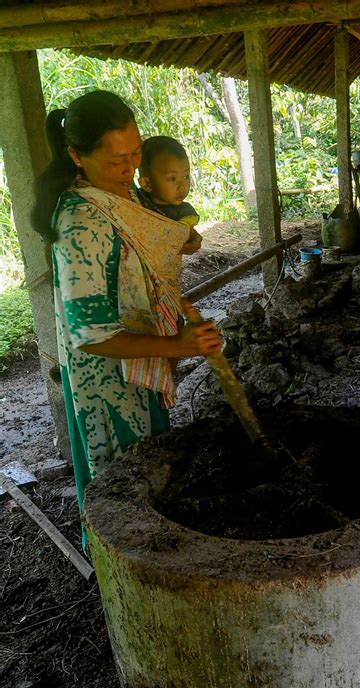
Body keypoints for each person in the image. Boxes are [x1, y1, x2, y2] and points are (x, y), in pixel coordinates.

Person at [31, 90, 221, 540]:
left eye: (135, 152)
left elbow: (144, 246)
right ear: (77, 156)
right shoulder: (80, 222)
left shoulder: (121, 194)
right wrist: (178, 346)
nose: (130, 168)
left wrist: (181, 240)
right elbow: (90, 335)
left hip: (142, 366)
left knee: (150, 472)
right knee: (124, 493)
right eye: (117, 159)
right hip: (109, 386)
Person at [137, 135, 202, 254]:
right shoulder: (134, 201)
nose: (182, 186)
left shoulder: (185, 214)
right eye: (172, 178)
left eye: (186, 176)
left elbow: (178, 236)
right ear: (146, 184)